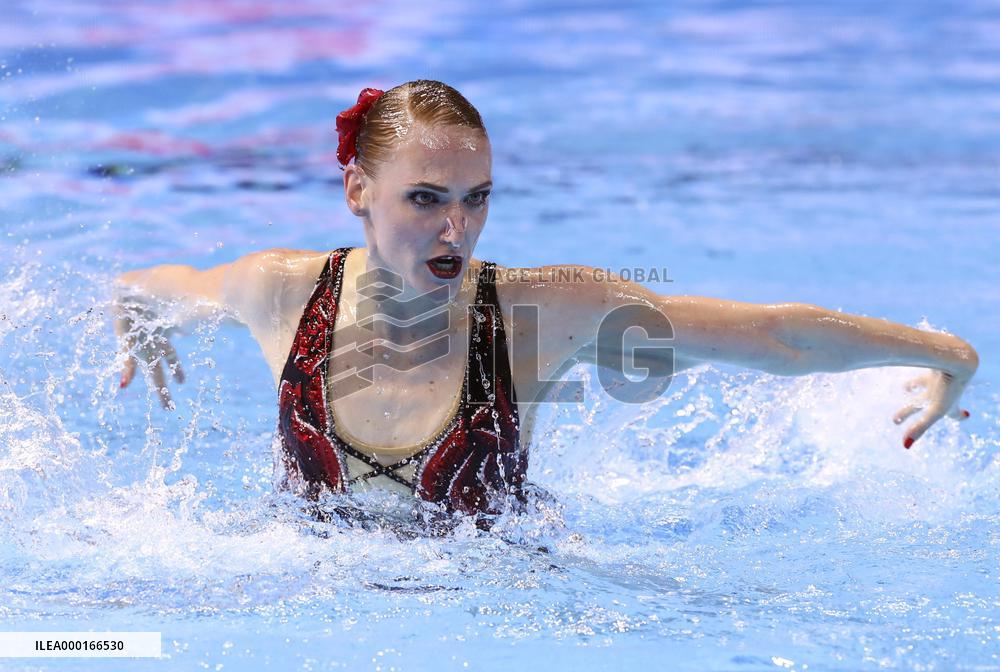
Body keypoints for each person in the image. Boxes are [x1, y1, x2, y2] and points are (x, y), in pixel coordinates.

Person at [114, 79, 979, 518]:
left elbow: (773, 336)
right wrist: (138, 320)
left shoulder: (549, 311)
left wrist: (947, 354)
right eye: (426, 199)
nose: (457, 229)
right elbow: (148, 285)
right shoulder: (282, 291)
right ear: (356, 189)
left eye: (477, 198)